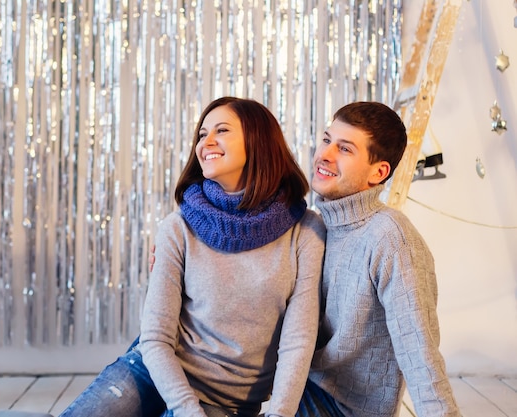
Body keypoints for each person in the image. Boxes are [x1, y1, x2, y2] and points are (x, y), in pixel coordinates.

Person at [57, 96, 326, 417]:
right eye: (202, 134)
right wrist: (186, 410)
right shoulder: (178, 227)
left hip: (228, 400)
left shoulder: (305, 230)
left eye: (221, 131)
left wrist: (279, 414)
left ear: (259, 141)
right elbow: (155, 338)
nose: (206, 142)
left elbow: (298, 343)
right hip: (150, 373)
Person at [295, 101, 460, 417]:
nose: (325, 155)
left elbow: (418, 348)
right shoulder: (315, 226)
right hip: (301, 387)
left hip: (343, 408)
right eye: (327, 140)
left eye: (345, 149)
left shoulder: (389, 236)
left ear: (378, 172)